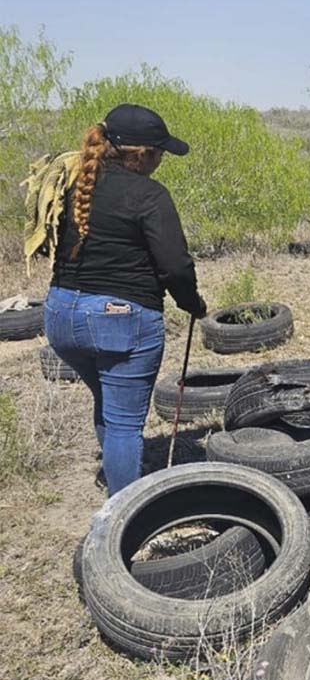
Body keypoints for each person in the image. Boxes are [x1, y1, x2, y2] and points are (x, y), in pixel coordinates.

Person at [42, 104, 206, 496]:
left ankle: (120, 476)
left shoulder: (74, 184)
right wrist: (192, 304)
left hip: (61, 314)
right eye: (160, 151)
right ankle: (124, 517)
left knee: (107, 400)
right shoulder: (149, 194)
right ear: (140, 153)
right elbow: (175, 266)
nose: (162, 158)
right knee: (125, 424)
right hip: (119, 318)